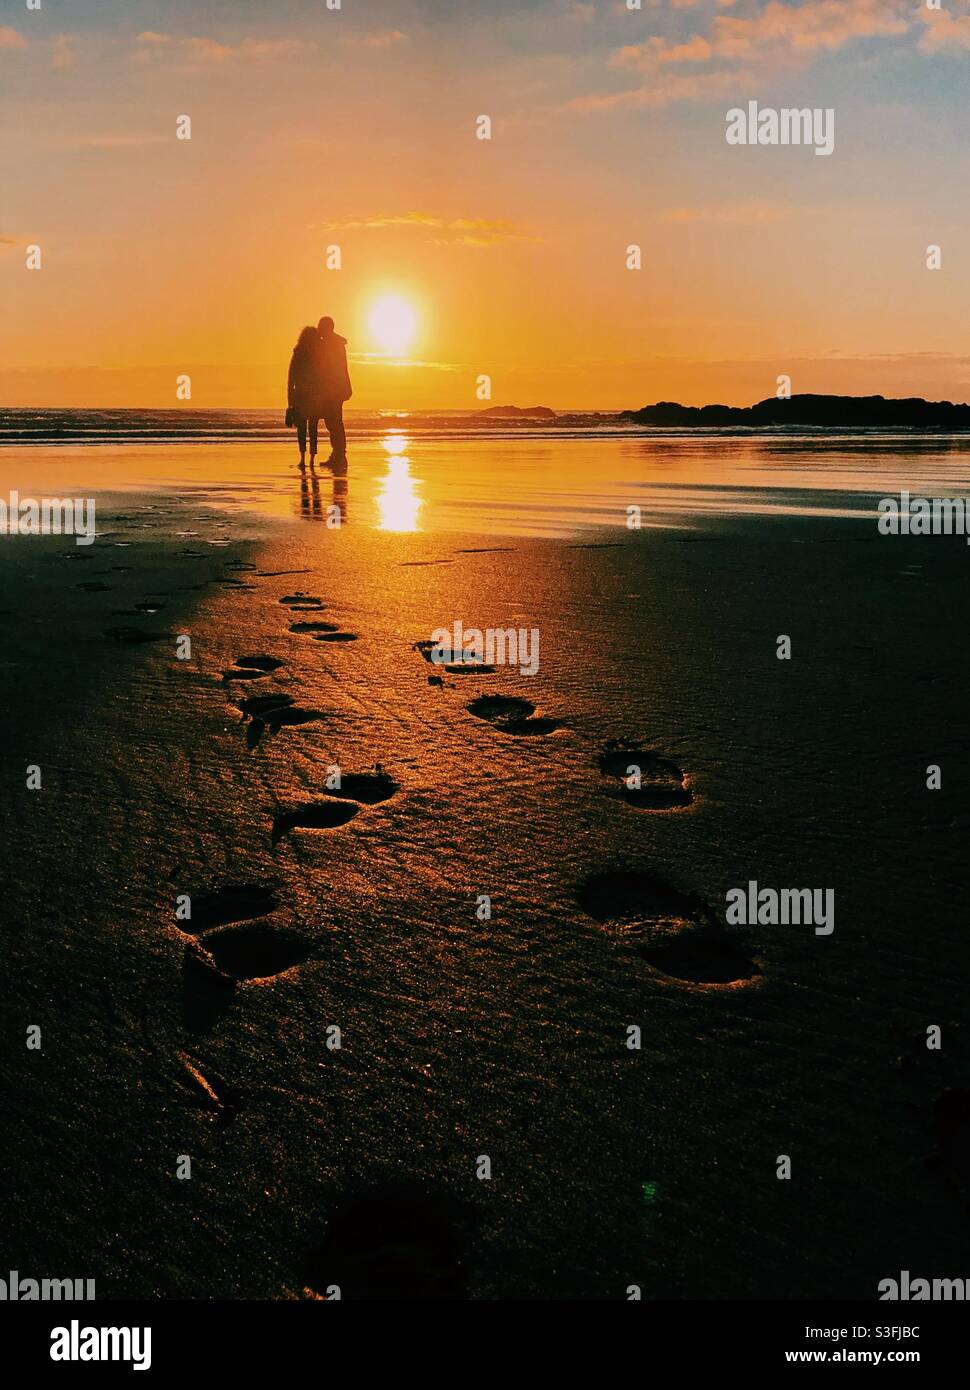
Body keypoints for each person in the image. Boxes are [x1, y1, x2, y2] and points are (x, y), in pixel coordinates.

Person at [316, 316, 352, 470]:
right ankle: (338, 455)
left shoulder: (332, 345)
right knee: (334, 422)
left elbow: (332, 369)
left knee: (334, 422)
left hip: (334, 390)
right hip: (336, 389)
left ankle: (339, 456)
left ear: (327, 328)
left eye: (321, 327)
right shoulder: (333, 344)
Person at [287, 326, 325, 468]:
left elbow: (291, 377)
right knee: (313, 428)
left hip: (301, 395)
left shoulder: (298, 352)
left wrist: (290, 399)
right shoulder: (319, 353)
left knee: (301, 429)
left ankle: (303, 458)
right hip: (315, 396)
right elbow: (323, 377)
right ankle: (311, 459)